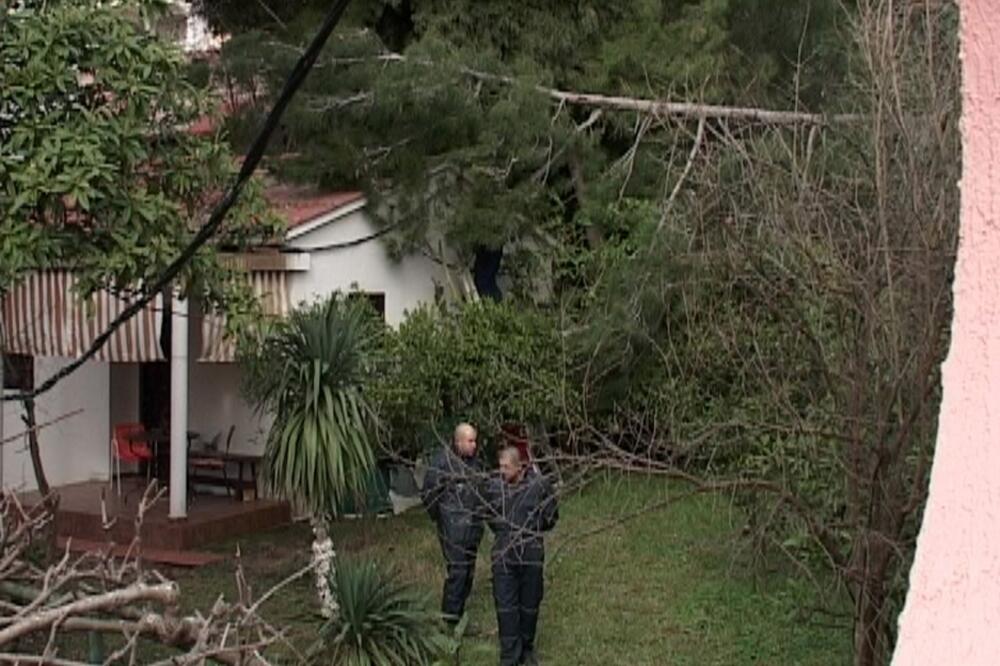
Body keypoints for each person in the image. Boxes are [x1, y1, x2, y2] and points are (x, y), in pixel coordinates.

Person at [483, 445, 559, 666]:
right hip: (503, 556)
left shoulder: (538, 486)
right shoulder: (495, 488)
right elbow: (488, 514)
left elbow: (551, 515)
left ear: (520, 467)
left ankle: (526, 648)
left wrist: (532, 531)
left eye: (506, 467)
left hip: (530, 553)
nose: (502, 471)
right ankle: (509, 656)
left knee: (529, 604)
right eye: (500, 467)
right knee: (506, 607)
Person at [420, 422, 485, 622]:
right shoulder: (441, 463)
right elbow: (429, 495)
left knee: (468, 572)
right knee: (458, 571)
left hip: (473, 526)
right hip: (452, 528)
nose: (474, 445)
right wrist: (443, 518)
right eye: (470, 441)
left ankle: (458, 610)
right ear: (458, 442)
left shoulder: (476, 463)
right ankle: (449, 618)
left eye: (475, 440)